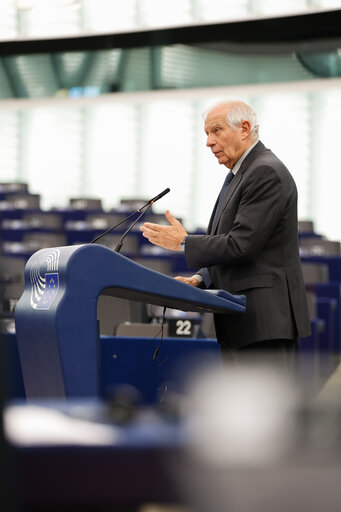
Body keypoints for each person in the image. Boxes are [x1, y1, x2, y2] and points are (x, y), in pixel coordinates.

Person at [140, 100, 311, 370]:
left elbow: (242, 245)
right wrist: (201, 277)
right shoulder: (242, 172)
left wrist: (183, 241)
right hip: (243, 322)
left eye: (216, 131)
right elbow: (238, 245)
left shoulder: (265, 171)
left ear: (244, 128)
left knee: (260, 411)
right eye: (206, 133)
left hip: (263, 322)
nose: (208, 142)